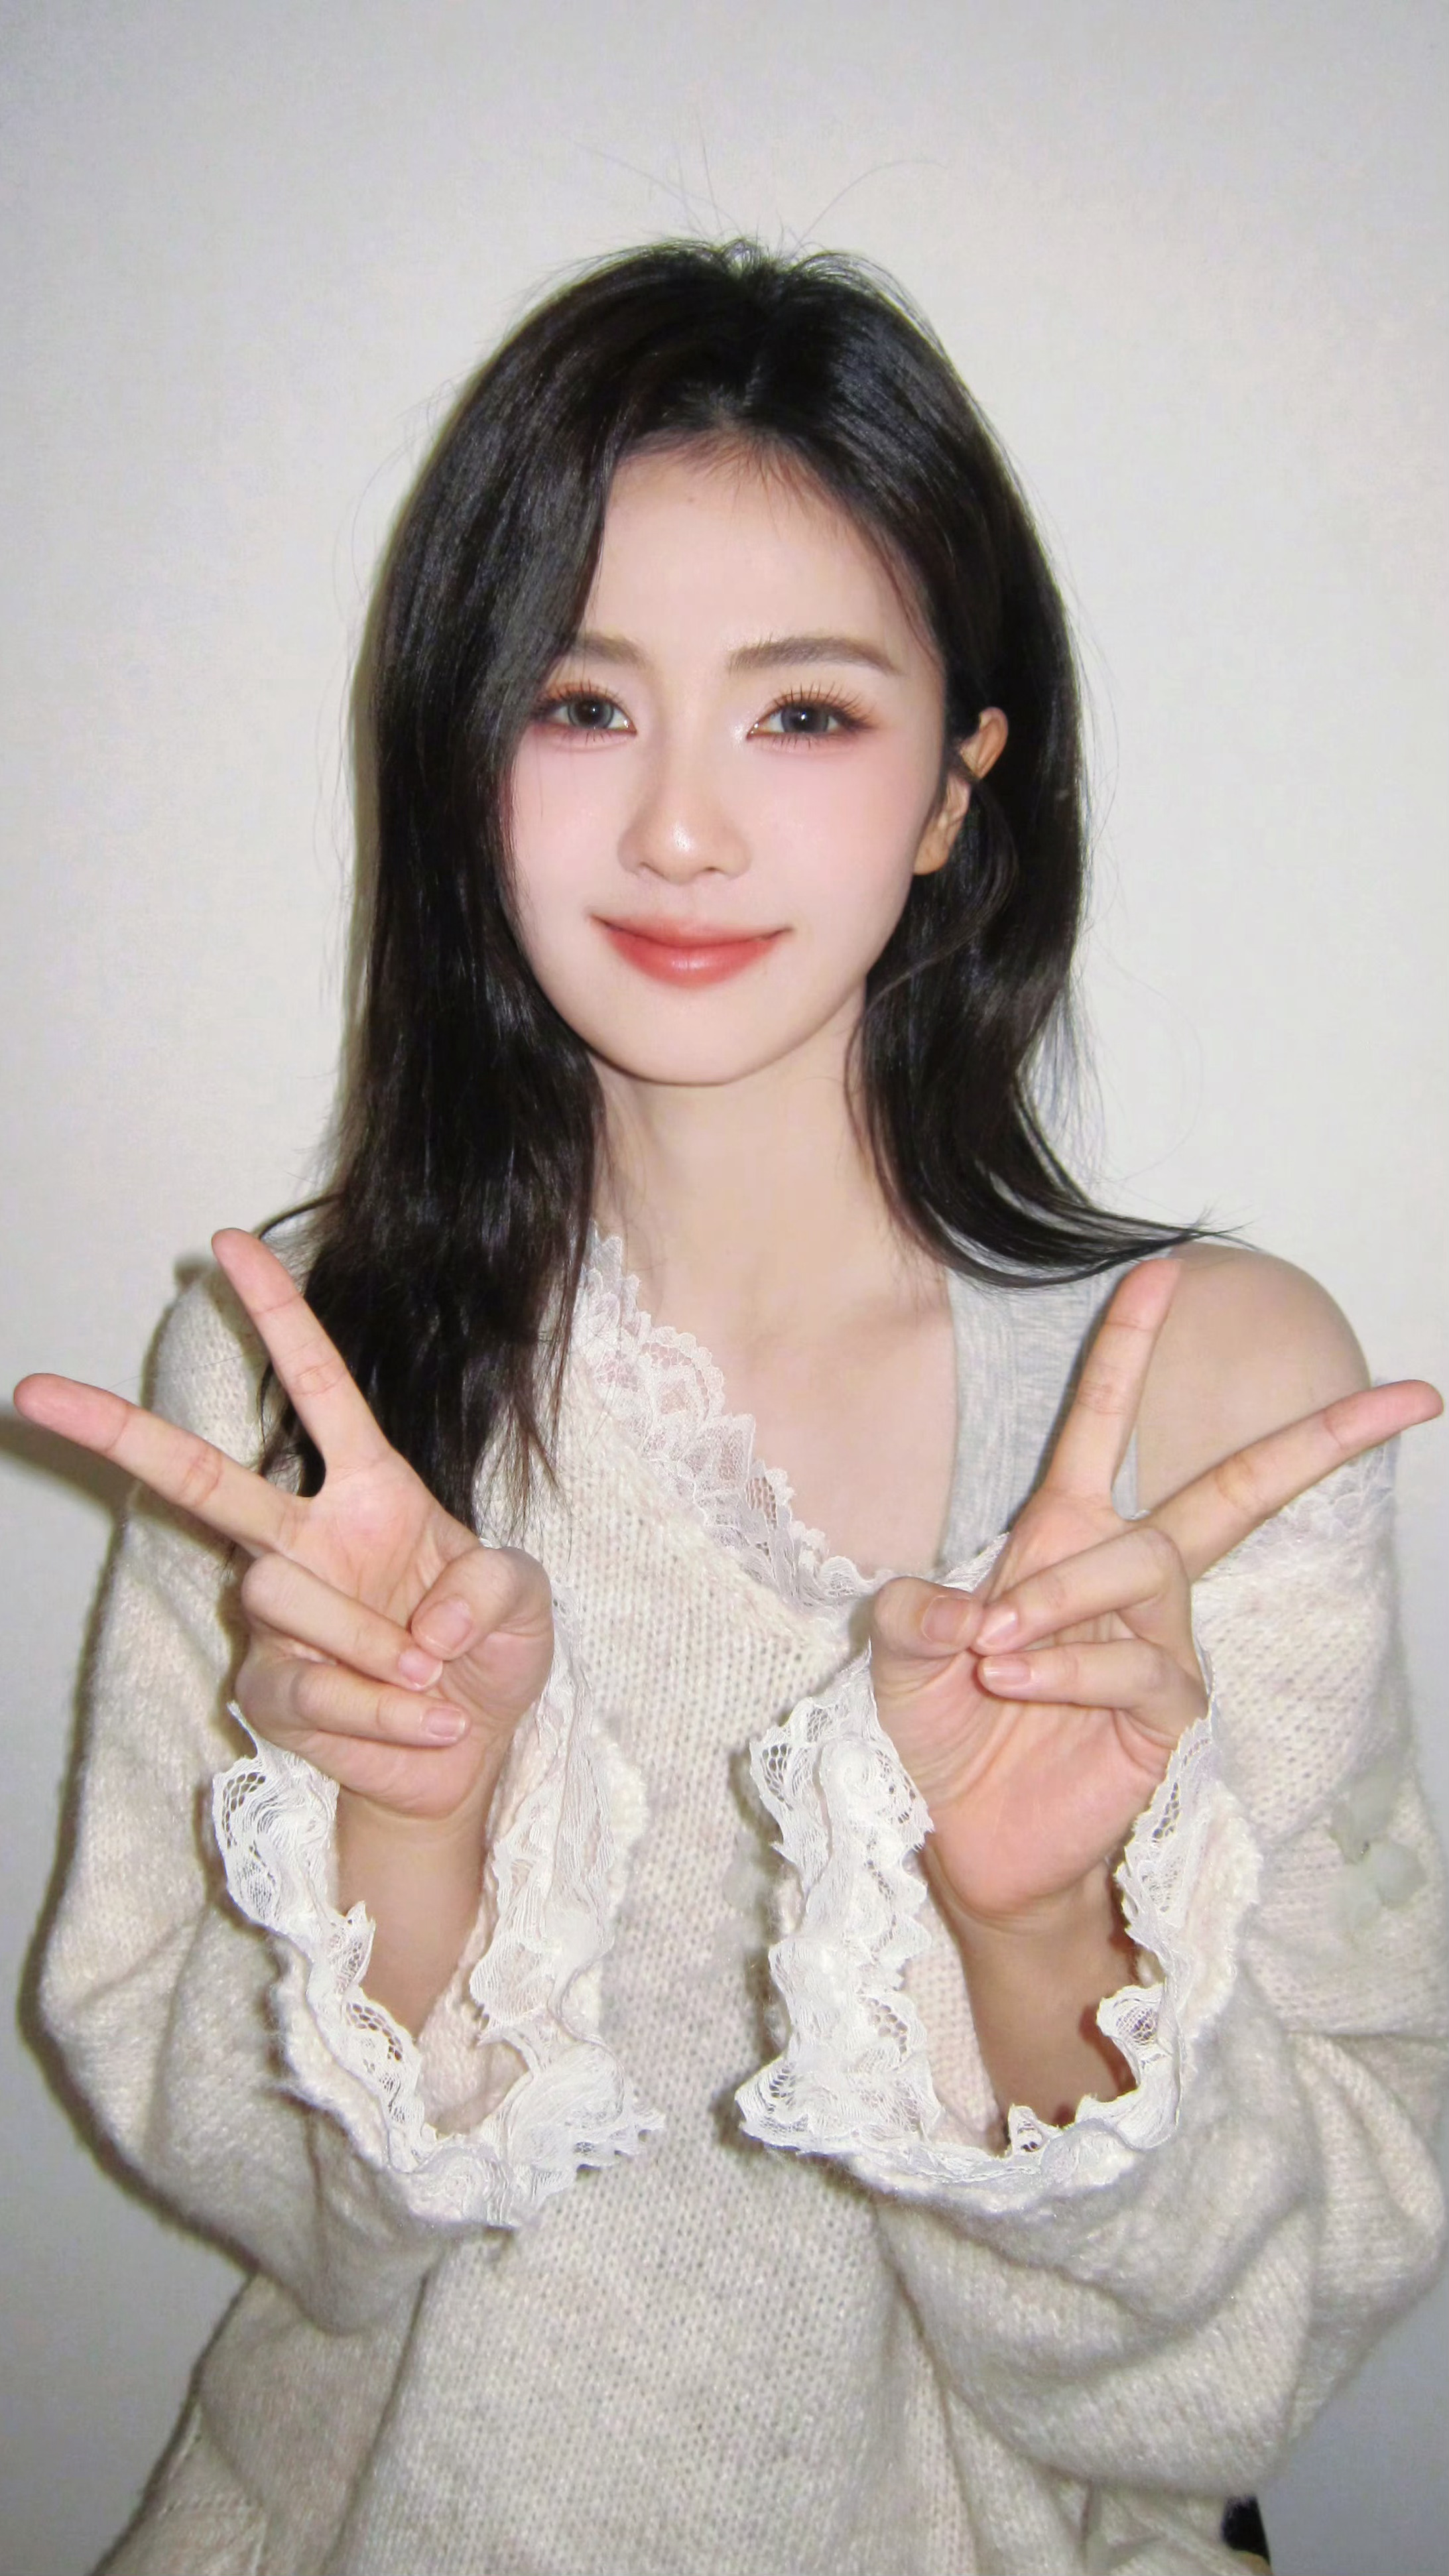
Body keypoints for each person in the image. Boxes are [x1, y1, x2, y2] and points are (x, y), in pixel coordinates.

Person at [17, 240, 1446, 2576]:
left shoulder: (1200, 1405)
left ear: (956, 788)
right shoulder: (308, 1379)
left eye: (802, 716)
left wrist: (1030, 1937)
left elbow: (1233, 2374)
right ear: (461, 759)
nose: (679, 829)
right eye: (579, 705)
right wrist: (405, 1831)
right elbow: (279, 2212)